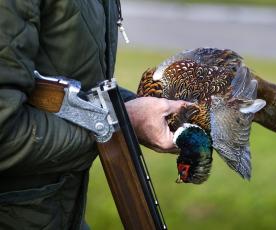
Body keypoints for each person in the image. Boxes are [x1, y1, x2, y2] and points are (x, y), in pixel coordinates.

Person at [0, 0, 185, 229]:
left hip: (60, 210)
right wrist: (118, 124)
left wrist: (136, 107)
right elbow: (4, 131)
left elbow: (68, 84)